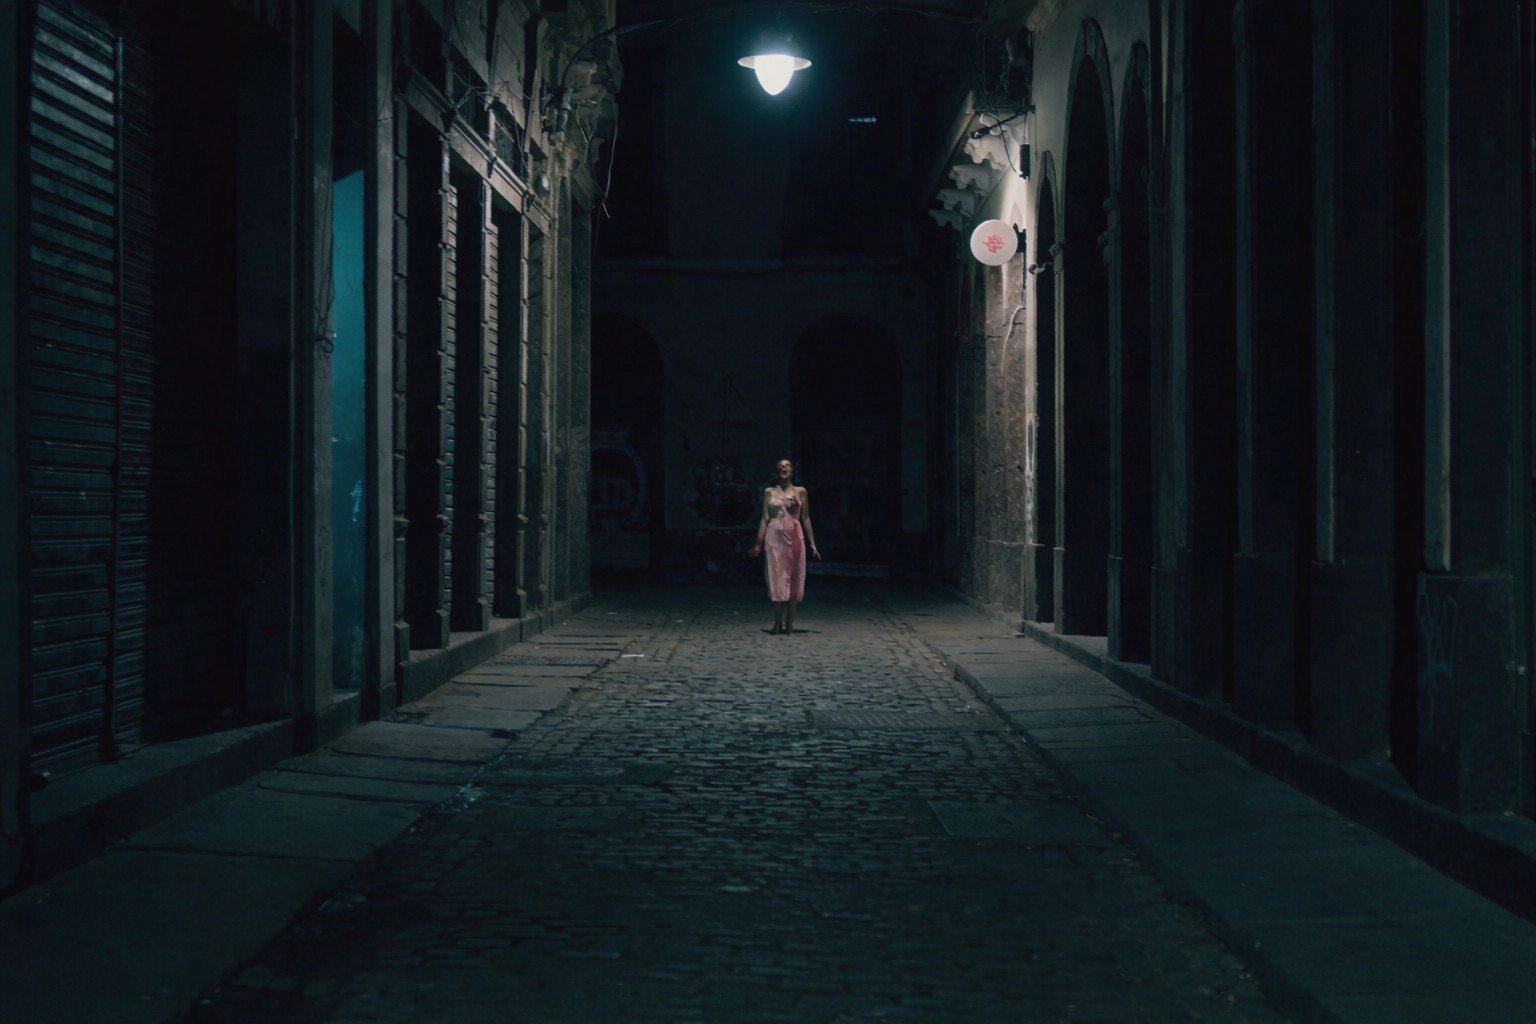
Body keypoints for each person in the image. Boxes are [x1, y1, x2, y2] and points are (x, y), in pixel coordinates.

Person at [748, 458, 820, 634]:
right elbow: (764, 518)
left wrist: (813, 544)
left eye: (787, 465)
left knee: (794, 579)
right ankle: (777, 621)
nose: (784, 468)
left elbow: (806, 518)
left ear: (792, 470)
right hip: (774, 537)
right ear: (777, 471)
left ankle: (790, 622)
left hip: (794, 535)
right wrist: (758, 543)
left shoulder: (800, 491)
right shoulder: (769, 492)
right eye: (780, 466)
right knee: (776, 578)